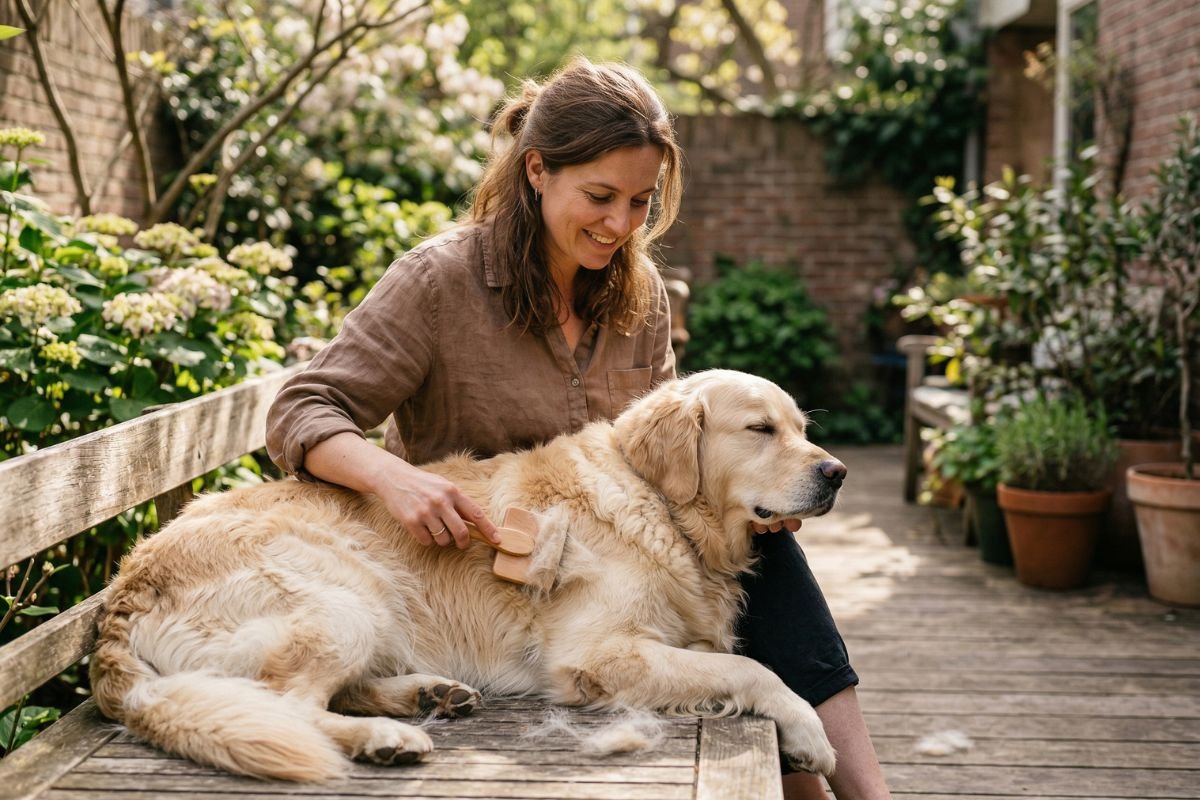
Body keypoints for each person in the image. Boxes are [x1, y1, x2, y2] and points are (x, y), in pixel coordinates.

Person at [265, 56, 891, 800]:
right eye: (600, 196)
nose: (620, 225)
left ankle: (865, 795)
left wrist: (747, 490)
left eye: (640, 203)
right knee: (745, 653)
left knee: (766, 560)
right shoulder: (439, 281)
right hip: (476, 574)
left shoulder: (642, 294)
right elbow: (301, 409)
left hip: (613, 565)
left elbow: (664, 453)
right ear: (536, 170)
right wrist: (393, 477)